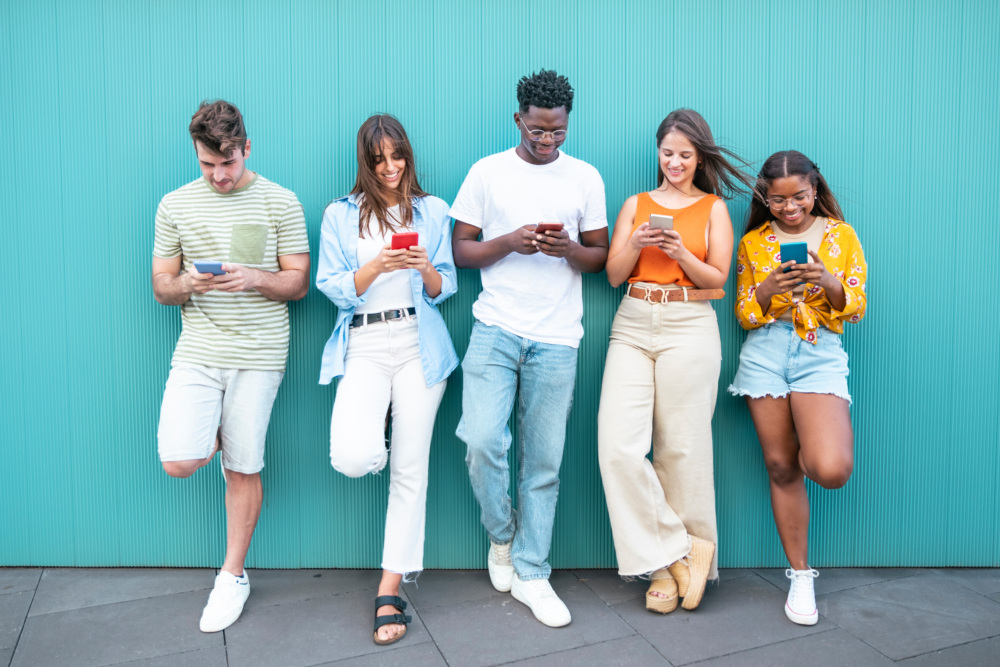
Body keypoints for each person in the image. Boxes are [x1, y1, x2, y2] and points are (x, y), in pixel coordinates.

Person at [450, 69, 609, 628]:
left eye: (557, 132)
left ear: (567, 123)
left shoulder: (585, 178)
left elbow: (602, 259)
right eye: (538, 131)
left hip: (558, 337)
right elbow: (462, 252)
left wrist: (567, 248)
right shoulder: (487, 173)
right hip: (494, 329)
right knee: (481, 440)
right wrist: (509, 243)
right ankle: (503, 537)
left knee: (544, 463)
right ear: (518, 118)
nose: (547, 141)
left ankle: (533, 571)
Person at [152, 100, 310, 632]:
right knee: (178, 460)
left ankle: (233, 576)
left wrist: (255, 278)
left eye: (229, 163)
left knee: (244, 468)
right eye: (207, 165)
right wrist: (188, 284)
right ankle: (217, 428)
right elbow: (161, 287)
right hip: (198, 351)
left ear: (247, 148)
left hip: (260, 356)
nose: (219, 175)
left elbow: (298, 283)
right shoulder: (174, 204)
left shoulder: (281, 202)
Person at [597, 109, 754, 614]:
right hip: (634, 320)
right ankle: (674, 552)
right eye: (668, 153)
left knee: (682, 449)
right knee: (618, 447)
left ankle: (676, 565)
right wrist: (639, 243)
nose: (675, 162)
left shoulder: (712, 209)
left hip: (690, 322)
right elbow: (613, 276)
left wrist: (681, 252)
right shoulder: (635, 205)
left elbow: (717, 282)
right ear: (658, 152)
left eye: (686, 155)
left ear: (699, 157)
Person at [316, 114, 458, 646]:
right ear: (365, 161)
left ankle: (389, 588)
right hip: (365, 344)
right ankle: (384, 438)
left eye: (397, 156)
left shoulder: (433, 210)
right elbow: (331, 286)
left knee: (411, 474)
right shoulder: (339, 215)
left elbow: (446, 287)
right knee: (354, 457)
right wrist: (378, 264)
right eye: (379, 159)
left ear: (408, 154)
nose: (391, 168)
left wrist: (422, 266)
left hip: (419, 344)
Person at [728, 151, 867, 625]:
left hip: (818, 350)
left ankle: (814, 447)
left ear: (814, 189)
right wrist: (768, 288)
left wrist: (825, 279)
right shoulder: (753, 242)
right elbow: (746, 312)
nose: (790, 208)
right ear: (765, 197)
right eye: (779, 200)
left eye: (800, 197)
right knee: (780, 465)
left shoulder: (840, 235)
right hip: (765, 351)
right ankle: (801, 575)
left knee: (829, 468)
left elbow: (855, 305)